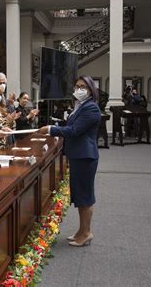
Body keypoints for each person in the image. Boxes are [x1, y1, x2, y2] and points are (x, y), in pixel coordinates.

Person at [38, 75, 101, 247]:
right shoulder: (80, 106)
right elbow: (71, 124)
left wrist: (51, 129)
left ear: (90, 89)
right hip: (78, 155)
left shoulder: (91, 108)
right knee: (80, 196)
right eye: (77, 86)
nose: (79, 89)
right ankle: (81, 231)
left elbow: (74, 130)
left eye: (84, 86)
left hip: (85, 157)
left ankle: (86, 233)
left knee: (85, 196)